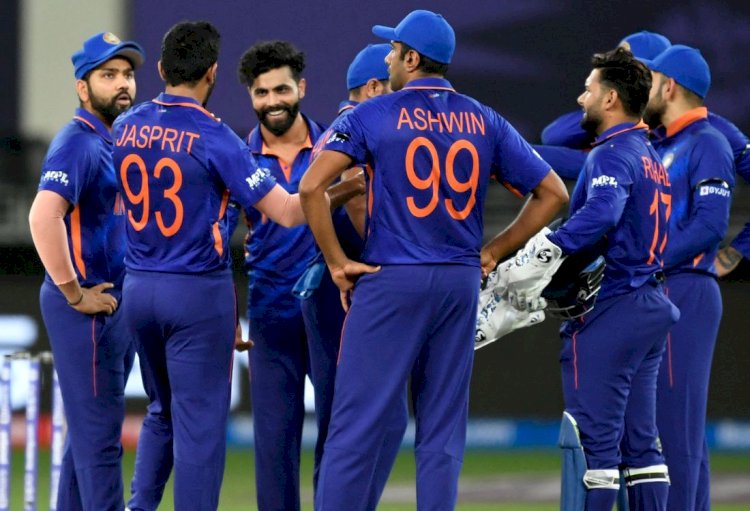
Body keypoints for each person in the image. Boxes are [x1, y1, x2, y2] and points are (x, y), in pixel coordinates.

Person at [299, 10, 568, 510]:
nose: (387, 59)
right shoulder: (485, 118)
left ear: (411, 58)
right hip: (458, 282)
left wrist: (336, 263)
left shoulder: (372, 114)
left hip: (392, 277)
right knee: (441, 432)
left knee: (355, 426)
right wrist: (494, 250)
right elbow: (553, 192)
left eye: (393, 50)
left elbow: (311, 186)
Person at [111, 21, 337, 511]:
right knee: (200, 427)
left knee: (161, 411)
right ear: (212, 73)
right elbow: (288, 212)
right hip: (195, 293)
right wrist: (342, 190)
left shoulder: (125, 125)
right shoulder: (218, 138)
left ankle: (139, 506)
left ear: (162, 68)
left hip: (139, 287)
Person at [505, 47, 680, 510]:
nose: (581, 98)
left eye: (589, 89)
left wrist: (549, 248)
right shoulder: (649, 155)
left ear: (610, 99)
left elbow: (603, 212)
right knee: (642, 448)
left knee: (591, 448)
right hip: (650, 303)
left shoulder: (612, 152)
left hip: (612, 308)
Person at [27, 32, 144, 511]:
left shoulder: (112, 139)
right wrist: (74, 293)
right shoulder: (77, 142)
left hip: (112, 301)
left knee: (87, 438)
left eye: (127, 74)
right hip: (86, 307)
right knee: (100, 442)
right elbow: (42, 216)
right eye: (108, 75)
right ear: (83, 87)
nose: (122, 84)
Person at [289, 42, 391, 503]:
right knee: (350, 421)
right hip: (345, 288)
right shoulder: (357, 129)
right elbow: (356, 200)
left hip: (338, 286)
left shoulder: (344, 128)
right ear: (373, 88)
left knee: (351, 420)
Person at [234, 40, 330, 511]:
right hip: (270, 314)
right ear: (250, 97)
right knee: (273, 445)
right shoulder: (235, 157)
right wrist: (228, 312)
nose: (272, 101)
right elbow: (214, 240)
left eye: (282, 89)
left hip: (332, 310)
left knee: (339, 436)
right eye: (262, 92)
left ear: (302, 88)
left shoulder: (336, 146)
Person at [641, 45, 735, 511]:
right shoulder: (661, 145)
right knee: (667, 430)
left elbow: (710, 224)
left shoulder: (707, 142)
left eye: (652, 80)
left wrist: (648, 261)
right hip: (661, 288)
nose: (645, 90)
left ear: (670, 86)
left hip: (685, 289)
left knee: (675, 431)